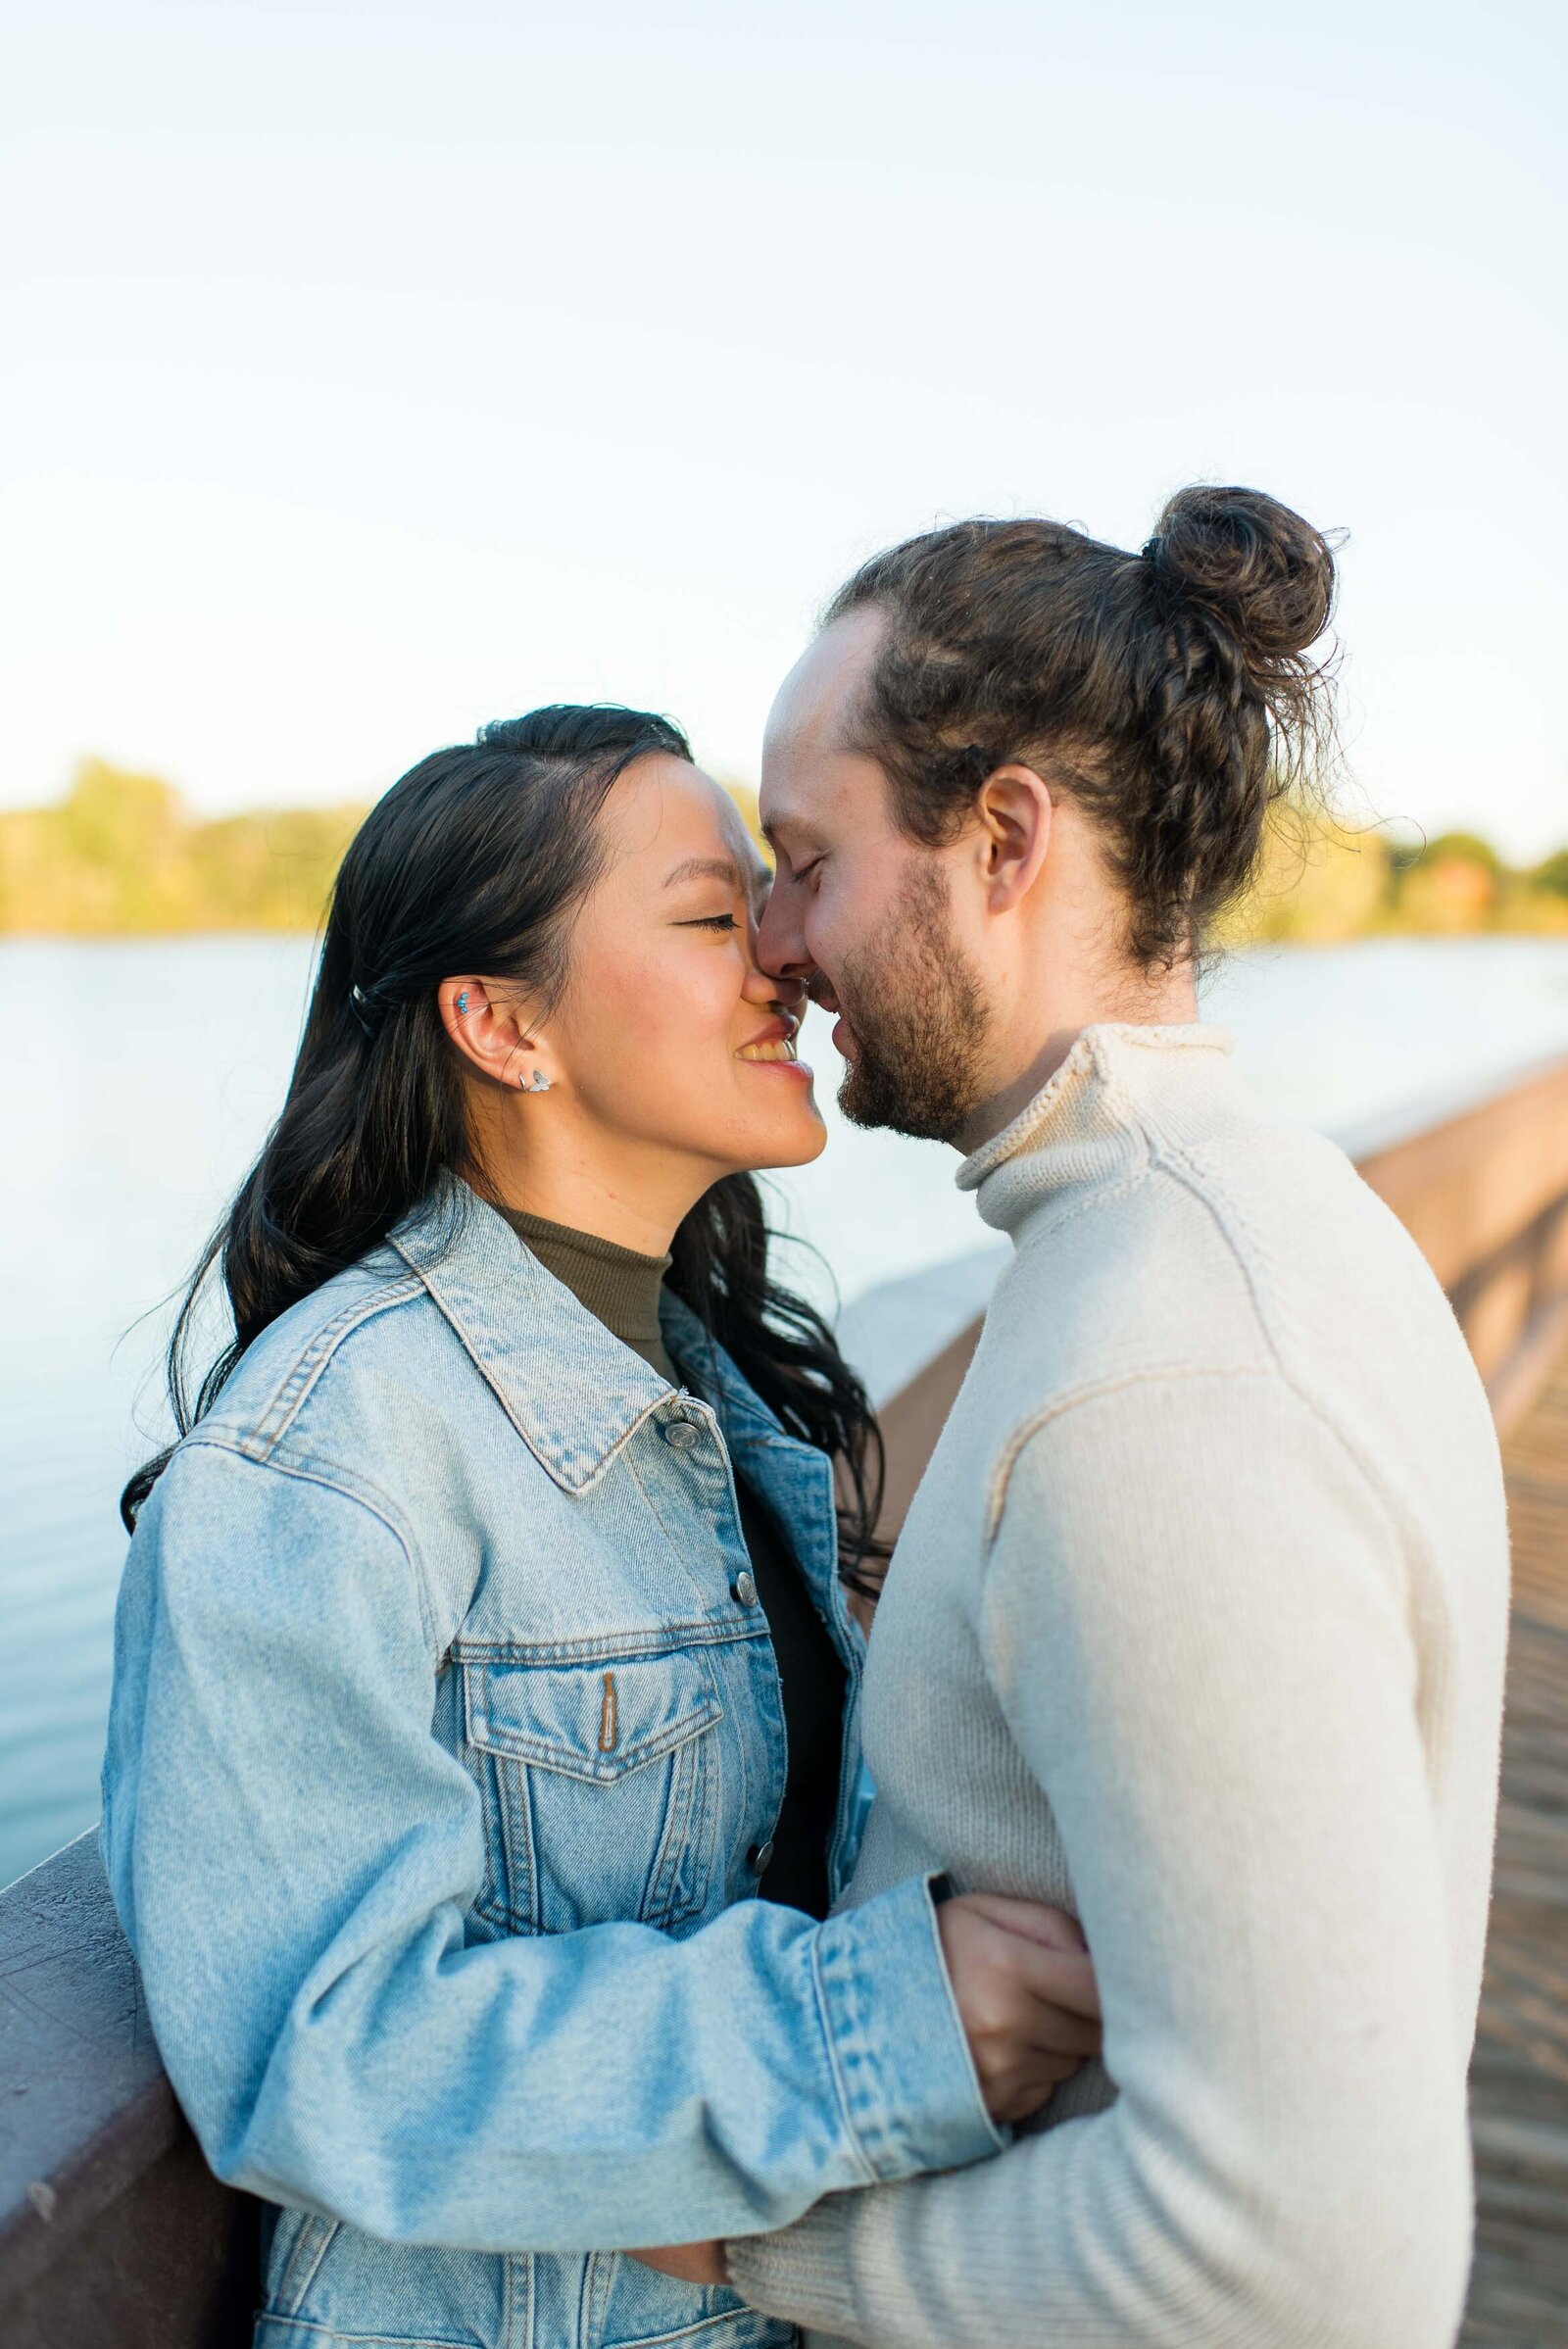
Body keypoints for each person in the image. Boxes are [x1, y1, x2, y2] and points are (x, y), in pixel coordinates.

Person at [102, 704, 1102, 2349]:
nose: (784, 951)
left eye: (772, 899)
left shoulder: (714, 1392)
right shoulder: (325, 1460)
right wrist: (883, 2031)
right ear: (500, 1023)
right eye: (716, 917)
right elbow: (321, 2045)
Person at [705, 489, 1511, 2346]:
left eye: (806, 858)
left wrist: (752, 2254)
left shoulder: (1163, 1373)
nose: (771, 937)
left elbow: (1310, 2262)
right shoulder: (1221, 1223)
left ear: (1002, 838)